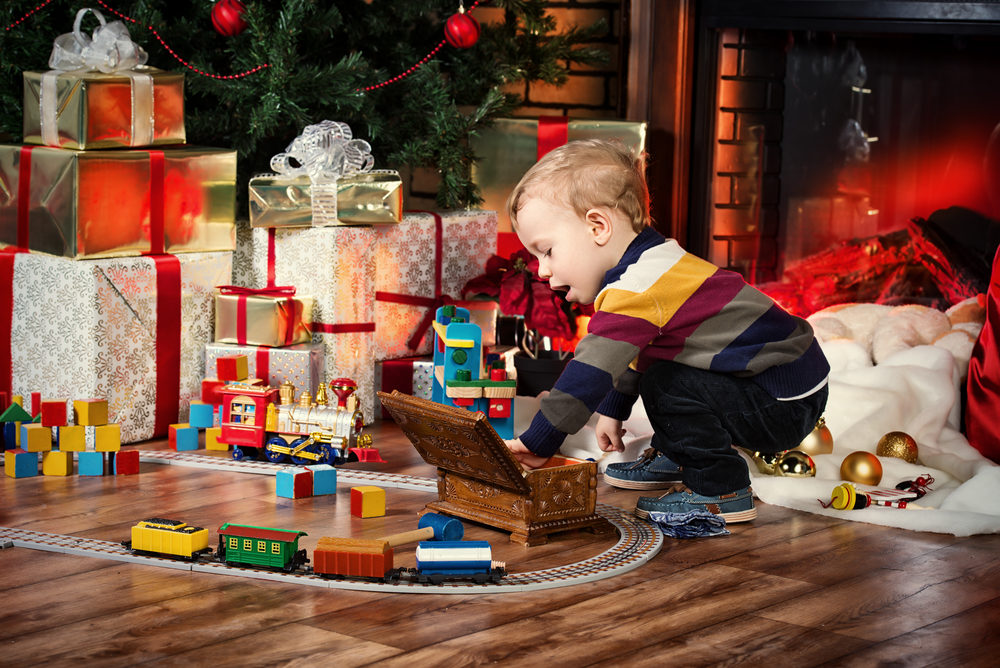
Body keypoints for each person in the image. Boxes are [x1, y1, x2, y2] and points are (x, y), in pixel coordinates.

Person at [502, 139, 830, 523]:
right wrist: (613, 409)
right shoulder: (654, 263)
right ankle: (680, 454)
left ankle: (720, 487)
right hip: (777, 385)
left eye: (547, 251)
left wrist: (538, 440)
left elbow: (588, 371)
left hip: (780, 400)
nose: (542, 270)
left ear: (598, 226)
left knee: (667, 385)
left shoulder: (637, 288)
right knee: (666, 372)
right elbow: (640, 352)